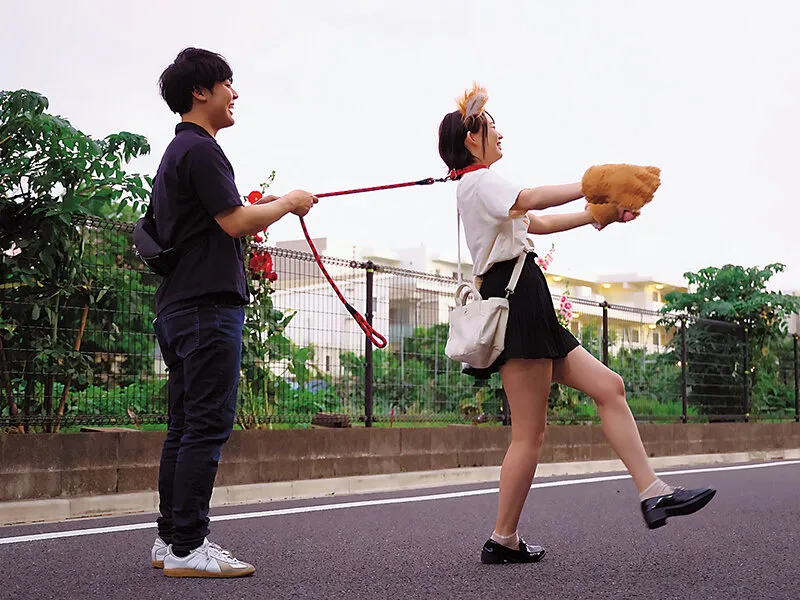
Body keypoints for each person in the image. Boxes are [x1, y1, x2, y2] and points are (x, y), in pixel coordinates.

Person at [438, 84, 715, 565]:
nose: (501, 133)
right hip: (517, 302)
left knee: (610, 387)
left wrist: (597, 214)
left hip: (528, 300)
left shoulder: (483, 187)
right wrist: (595, 183)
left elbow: (535, 225)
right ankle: (502, 538)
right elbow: (534, 199)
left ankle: (652, 492)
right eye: (492, 126)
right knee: (530, 433)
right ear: (472, 140)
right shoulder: (481, 183)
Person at [147, 48, 317, 578]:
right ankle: (187, 548)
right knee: (205, 426)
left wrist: (272, 204)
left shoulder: (176, 155)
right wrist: (288, 202)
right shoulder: (202, 150)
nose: (235, 93)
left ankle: (171, 539)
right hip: (207, 309)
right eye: (228, 83)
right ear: (202, 92)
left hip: (178, 308)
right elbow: (236, 221)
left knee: (184, 427)